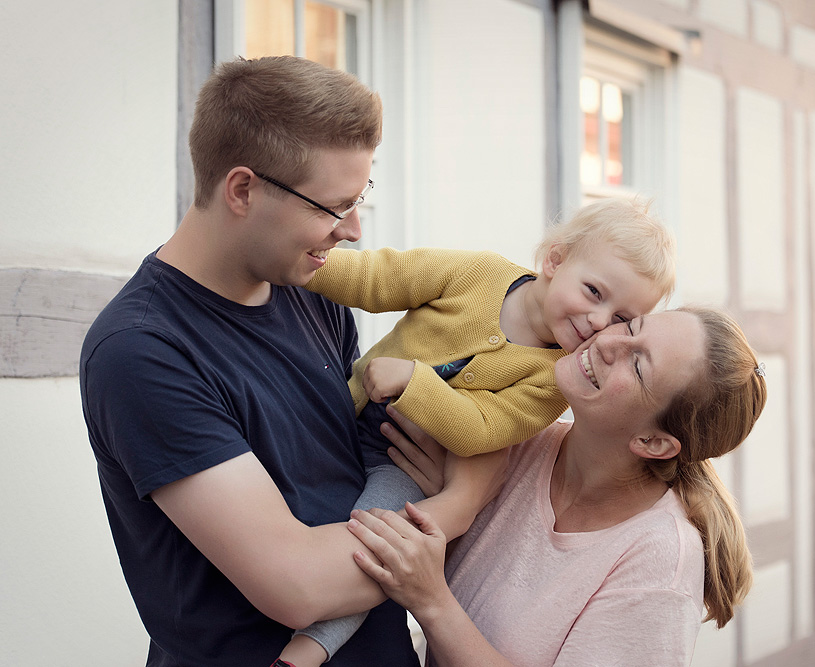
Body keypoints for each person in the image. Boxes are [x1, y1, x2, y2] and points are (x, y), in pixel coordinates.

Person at [79, 56, 500, 667]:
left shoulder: (312, 296)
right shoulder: (142, 351)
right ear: (243, 190)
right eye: (332, 207)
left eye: (362, 199)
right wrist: (461, 502)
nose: (353, 230)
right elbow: (297, 586)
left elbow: (379, 471)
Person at [285, 199, 675, 662]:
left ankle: (307, 650)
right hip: (346, 412)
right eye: (594, 292)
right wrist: (296, 265)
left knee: (380, 547)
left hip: (399, 464)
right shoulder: (478, 273)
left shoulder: (555, 379)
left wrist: (415, 382)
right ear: (555, 259)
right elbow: (382, 277)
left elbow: (482, 430)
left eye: (618, 319)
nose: (597, 321)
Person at [343, 307, 768, 667]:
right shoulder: (510, 440)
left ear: (654, 443)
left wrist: (431, 600)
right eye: (632, 326)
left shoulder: (658, 564)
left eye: (638, 365)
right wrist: (452, 506)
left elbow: (439, 591)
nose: (607, 342)